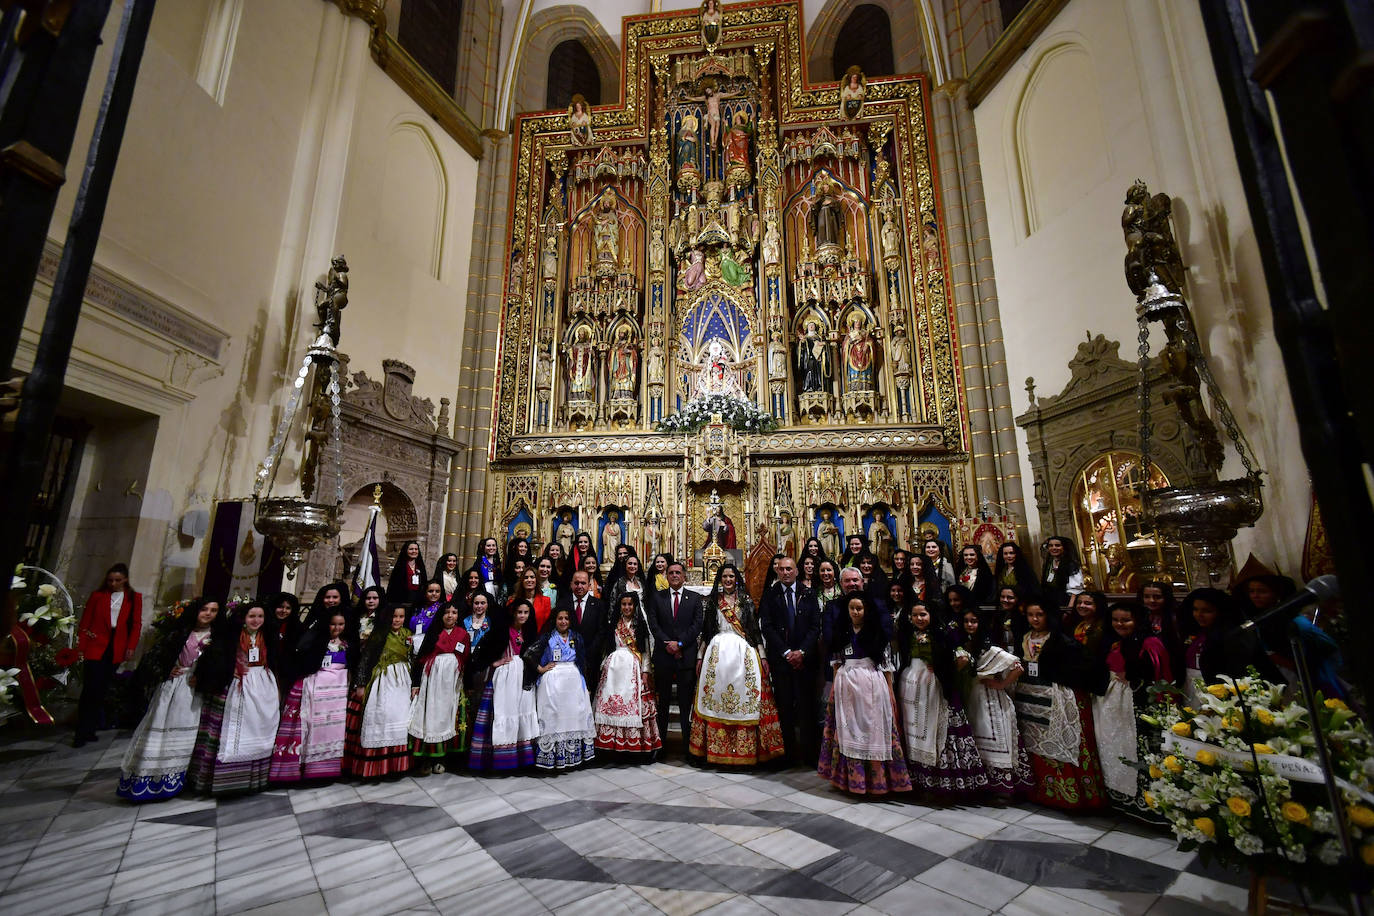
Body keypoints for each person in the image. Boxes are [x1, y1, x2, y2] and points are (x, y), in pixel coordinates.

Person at [117, 598, 220, 801]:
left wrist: (205, 677)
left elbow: (219, 665)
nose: (208, 614)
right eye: (204, 609)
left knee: (188, 732)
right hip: (172, 687)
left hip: (195, 692)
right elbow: (155, 657)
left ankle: (182, 777)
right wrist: (166, 669)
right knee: (161, 728)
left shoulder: (217, 637)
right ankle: (151, 776)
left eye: (214, 610)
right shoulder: (179, 632)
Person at [1013, 597, 1107, 812]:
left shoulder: (1061, 640)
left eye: (1039, 614)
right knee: (1032, 740)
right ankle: (1038, 791)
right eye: (1030, 615)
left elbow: (1078, 667)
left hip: (1056, 695)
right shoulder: (1025, 637)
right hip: (1028, 694)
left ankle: (1067, 795)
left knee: (1060, 739)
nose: (1035, 619)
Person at [689, 564, 785, 766]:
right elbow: (706, 632)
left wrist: (763, 656)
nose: (728, 579)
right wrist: (699, 656)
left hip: (743, 655)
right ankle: (715, 751)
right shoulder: (714, 602)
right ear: (720, 579)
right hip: (717, 655)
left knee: (746, 698)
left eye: (731, 576)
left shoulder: (746, 601)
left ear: (737, 578)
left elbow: (754, 631)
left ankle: (747, 752)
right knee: (716, 699)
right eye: (724, 576)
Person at [819, 593, 911, 796]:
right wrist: (834, 688)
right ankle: (851, 780)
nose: (855, 612)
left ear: (866, 610)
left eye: (859, 608)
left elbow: (886, 666)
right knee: (848, 730)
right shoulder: (841, 632)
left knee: (874, 729)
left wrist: (890, 693)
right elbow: (836, 662)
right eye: (852, 608)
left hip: (872, 683)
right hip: (846, 685)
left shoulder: (876, 633)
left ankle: (876, 781)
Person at [896, 601, 988, 800]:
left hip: (936, 687)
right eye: (915, 615)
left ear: (931, 615)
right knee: (915, 732)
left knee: (939, 731)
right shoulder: (906, 635)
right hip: (911, 687)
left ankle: (942, 782)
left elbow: (963, 657)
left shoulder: (942, 634)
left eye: (923, 614)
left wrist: (943, 668)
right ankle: (919, 781)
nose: (919, 619)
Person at [187, 600, 280, 795]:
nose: (256, 620)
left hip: (262, 685)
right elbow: (217, 658)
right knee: (227, 731)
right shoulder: (231, 636)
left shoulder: (268, 636)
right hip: (235, 685)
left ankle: (254, 780)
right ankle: (221, 780)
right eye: (252, 616)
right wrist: (230, 669)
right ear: (243, 618)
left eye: (260, 616)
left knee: (258, 731)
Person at [1092, 602, 1171, 818]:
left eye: (1126, 620)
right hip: (1111, 705)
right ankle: (1117, 801)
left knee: (1139, 750)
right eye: (1115, 620)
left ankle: (1147, 806)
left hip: (1138, 706)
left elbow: (1156, 675)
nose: (1120, 624)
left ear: (1137, 620)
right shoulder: (1110, 641)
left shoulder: (1150, 643)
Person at [270, 604, 356, 784]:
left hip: (336, 695)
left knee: (331, 731)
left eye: (341, 624)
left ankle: (326, 770)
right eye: (333, 624)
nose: (337, 628)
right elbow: (306, 663)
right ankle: (300, 769)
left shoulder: (347, 644)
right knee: (306, 728)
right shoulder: (315, 641)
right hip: (313, 690)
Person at [958, 608, 1032, 801]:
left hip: (991, 698)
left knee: (995, 737)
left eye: (974, 621)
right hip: (972, 696)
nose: (970, 624)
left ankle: (1002, 786)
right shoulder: (965, 644)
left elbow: (1017, 667)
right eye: (966, 621)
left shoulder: (989, 647)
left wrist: (1001, 684)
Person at [760, 556, 821, 765]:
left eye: (789, 569)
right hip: (782, 661)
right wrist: (786, 652)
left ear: (797, 571)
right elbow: (766, 626)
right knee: (784, 707)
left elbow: (815, 626)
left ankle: (809, 754)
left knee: (807, 707)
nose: (785, 572)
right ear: (777, 572)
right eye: (782, 569)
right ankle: (787, 754)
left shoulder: (809, 593)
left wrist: (802, 652)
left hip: (805, 660)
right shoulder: (770, 594)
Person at [468, 599, 540, 771]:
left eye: (526, 612)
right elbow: (483, 648)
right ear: (513, 613)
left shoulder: (529, 631)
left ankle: (522, 758)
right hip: (504, 677)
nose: (522, 616)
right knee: (503, 711)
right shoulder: (502, 630)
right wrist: (493, 663)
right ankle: (501, 759)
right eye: (519, 612)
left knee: (521, 712)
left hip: (523, 677)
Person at [76, 563, 143, 746]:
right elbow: (85, 622)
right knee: (90, 689)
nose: (113, 583)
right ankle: (81, 731)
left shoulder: (133, 598)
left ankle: (92, 727)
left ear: (125, 580)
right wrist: (81, 647)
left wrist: (131, 646)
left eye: (117, 580)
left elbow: (136, 624)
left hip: (116, 645)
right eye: (110, 580)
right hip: (96, 644)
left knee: (102, 689)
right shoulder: (98, 596)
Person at [344, 603, 413, 779]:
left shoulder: (407, 635)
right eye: (394, 617)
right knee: (381, 716)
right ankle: (376, 766)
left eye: (400, 617)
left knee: (400, 719)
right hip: (382, 680)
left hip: (402, 681)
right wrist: (360, 684)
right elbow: (366, 659)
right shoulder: (379, 635)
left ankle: (395, 765)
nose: (397, 620)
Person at [524, 607, 596, 770]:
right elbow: (528, 653)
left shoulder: (576, 637)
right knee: (554, 716)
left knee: (574, 716)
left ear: (570, 621)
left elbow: (583, 660)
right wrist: (540, 669)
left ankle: (572, 757)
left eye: (566, 618)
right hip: (553, 681)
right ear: (554, 620)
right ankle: (552, 757)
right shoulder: (547, 637)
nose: (563, 621)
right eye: (560, 618)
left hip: (574, 682)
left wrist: (587, 685)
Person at [593, 592, 661, 759]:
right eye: (624, 604)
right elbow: (607, 648)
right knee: (611, 705)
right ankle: (609, 747)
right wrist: (604, 666)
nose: (627, 607)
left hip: (634, 668)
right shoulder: (613, 624)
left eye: (630, 604)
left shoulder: (640, 626)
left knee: (636, 706)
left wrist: (646, 672)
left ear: (635, 606)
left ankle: (637, 747)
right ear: (619, 606)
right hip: (614, 670)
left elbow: (645, 652)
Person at [408, 602, 470, 774]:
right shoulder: (433, 633)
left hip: (452, 683)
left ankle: (443, 758)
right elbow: (421, 659)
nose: (450, 615)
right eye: (446, 612)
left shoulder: (463, 634)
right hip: (433, 681)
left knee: (448, 717)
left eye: (454, 612)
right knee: (430, 716)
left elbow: (466, 659)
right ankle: (426, 758)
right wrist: (416, 683)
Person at [647, 561, 704, 749]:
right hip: (663, 657)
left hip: (685, 657)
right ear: (666, 576)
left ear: (684, 576)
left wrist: (679, 644)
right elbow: (654, 625)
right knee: (662, 704)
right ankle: (660, 746)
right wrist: (668, 644)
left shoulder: (695, 598)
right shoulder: (657, 597)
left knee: (685, 704)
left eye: (678, 572)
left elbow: (696, 626)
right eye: (671, 573)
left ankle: (689, 748)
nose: (674, 575)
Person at [556, 569, 605, 677]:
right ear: (571, 584)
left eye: (583, 583)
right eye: (576, 583)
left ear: (589, 585)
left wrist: (588, 653)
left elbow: (601, 632)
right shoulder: (562, 603)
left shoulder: (598, 605)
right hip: (567, 660)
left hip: (591, 659)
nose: (579, 586)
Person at [1040, 536, 1085, 610]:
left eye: (1057, 545)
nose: (1054, 548)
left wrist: (1069, 609)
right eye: (1050, 546)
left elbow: (1075, 590)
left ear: (1064, 547)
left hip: (1065, 602)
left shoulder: (1071, 564)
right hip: (1050, 602)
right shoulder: (1049, 563)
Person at [385, 541, 428, 607]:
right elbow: (394, 586)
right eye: (411, 549)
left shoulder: (420, 566)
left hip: (418, 601)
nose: (414, 551)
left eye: (416, 549)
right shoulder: (400, 566)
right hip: (402, 601)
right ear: (406, 551)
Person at [1067, 591, 1108, 657]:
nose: (1081, 606)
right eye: (1079, 603)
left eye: (1087, 603)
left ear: (1098, 605)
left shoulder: (1104, 627)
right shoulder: (1075, 625)